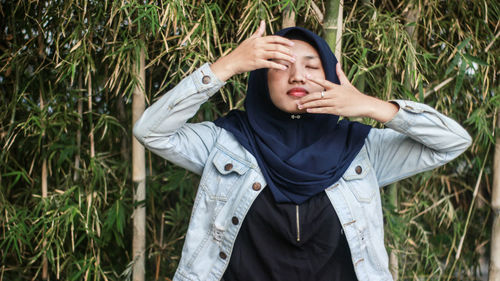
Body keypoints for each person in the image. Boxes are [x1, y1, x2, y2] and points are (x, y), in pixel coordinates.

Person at [133, 21, 471, 281]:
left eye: (311, 66)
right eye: (280, 65)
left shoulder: (361, 148)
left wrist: (371, 106)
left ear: (330, 75)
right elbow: (151, 131)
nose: (297, 75)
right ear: (260, 78)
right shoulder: (227, 142)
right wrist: (227, 66)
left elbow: (452, 142)